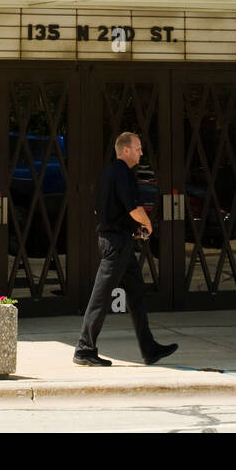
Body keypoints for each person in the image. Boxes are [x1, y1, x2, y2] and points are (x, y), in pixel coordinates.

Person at [74, 131, 178, 367]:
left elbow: (99, 210)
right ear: (125, 150)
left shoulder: (107, 174)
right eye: (138, 148)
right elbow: (133, 208)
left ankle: (149, 348)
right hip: (116, 244)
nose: (142, 152)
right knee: (101, 296)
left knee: (137, 294)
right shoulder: (123, 173)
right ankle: (84, 348)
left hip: (120, 241)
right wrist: (147, 225)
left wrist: (130, 228)